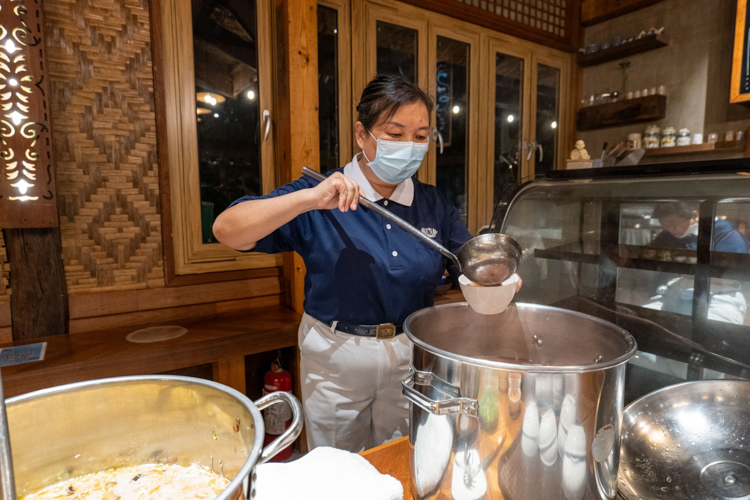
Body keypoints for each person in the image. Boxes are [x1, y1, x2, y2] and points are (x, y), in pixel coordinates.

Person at [213, 74, 521, 453]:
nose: (410, 146)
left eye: (420, 136)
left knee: (399, 458)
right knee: (339, 471)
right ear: (362, 134)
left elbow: (469, 267)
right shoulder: (321, 193)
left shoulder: (433, 203)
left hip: (411, 354)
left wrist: (496, 280)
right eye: (395, 133)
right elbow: (227, 230)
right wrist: (308, 200)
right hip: (334, 358)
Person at [643, 202, 748, 324]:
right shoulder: (668, 234)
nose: (669, 229)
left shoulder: (725, 233)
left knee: (714, 329)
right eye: (664, 224)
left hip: (718, 293)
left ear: (694, 215)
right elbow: (647, 255)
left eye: (672, 223)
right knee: (643, 320)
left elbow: (729, 275)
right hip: (676, 289)